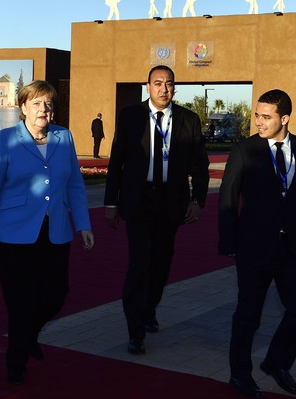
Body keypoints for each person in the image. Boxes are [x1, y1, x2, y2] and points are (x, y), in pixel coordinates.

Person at [0, 80, 94, 385]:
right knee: (20, 301)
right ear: (22, 107)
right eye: (36, 103)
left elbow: (75, 183)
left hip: (56, 231)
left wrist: (84, 223)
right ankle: (16, 362)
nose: (43, 109)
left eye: (48, 103)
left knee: (56, 295)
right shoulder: (6, 138)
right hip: (14, 235)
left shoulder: (64, 137)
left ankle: (27, 336)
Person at [104, 65, 210, 355]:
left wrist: (197, 200)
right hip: (139, 201)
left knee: (162, 264)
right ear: (147, 86)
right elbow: (117, 162)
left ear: (175, 88)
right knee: (139, 264)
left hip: (171, 202)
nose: (164, 88)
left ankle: (148, 309)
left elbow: (200, 166)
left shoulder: (189, 120)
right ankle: (135, 331)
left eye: (169, 83)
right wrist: (111, 203)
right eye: (158, 83)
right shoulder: (131, 116)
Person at [218, 89, 296, 398]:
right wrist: (230, 241)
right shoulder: (245, 149)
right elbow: (228, 198)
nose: (258, 121)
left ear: (284, 118)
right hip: (254, 245)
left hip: (293, 246)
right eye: (256, 115)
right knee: (249, 314)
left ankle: (277, 362)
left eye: (266, 116)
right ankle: (239, 374)